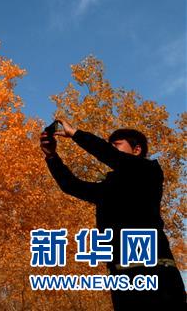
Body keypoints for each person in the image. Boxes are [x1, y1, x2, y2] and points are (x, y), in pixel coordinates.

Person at [40, 118, 186, 310]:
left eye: (117, 145)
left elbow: (110, 156)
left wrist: (76, 134)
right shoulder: (109, 187)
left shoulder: (149, 171)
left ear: (137, 150)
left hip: (156, 272)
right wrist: (52, 156)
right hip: (121, 278)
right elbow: (71, 186)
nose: (111, 149)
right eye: (110, 146)